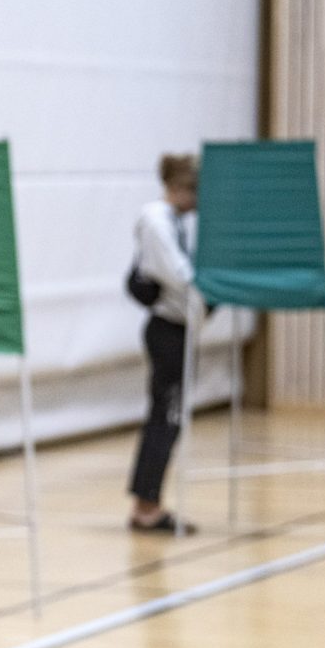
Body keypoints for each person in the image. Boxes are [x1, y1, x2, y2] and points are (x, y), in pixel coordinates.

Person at [127, 153, 200, 534]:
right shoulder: (157, 220)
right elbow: (179, 275)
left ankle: (148, 502)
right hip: (167, 329)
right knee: (165, 419)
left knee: (167, 419)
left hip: (177, 329)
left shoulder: (172, 221)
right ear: (180, 187)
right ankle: (146, 506)